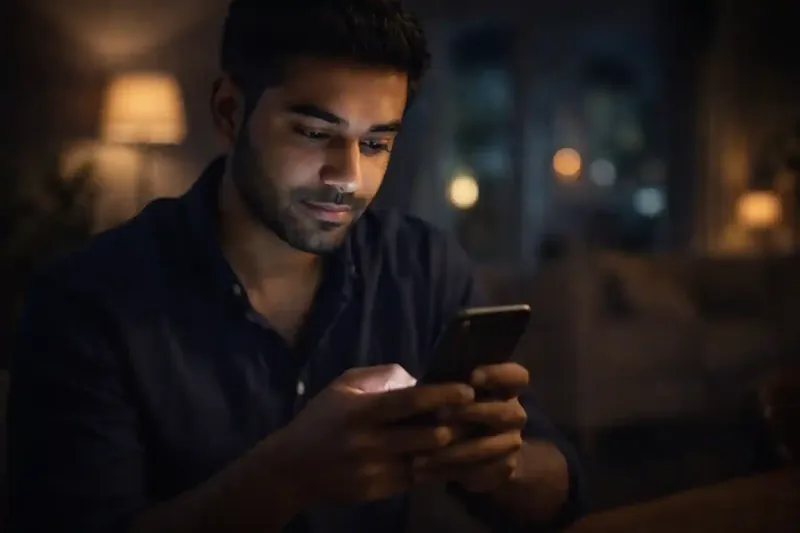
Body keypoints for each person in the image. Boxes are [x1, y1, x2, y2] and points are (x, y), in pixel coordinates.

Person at [8, 1, 586, 531]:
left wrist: (496, 465)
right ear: (230, 112)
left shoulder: (424, 266)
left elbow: (559, 493)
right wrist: (287, 476)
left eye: (377, 144)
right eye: (315, 133)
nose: (349, 178)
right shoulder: (85, 302)